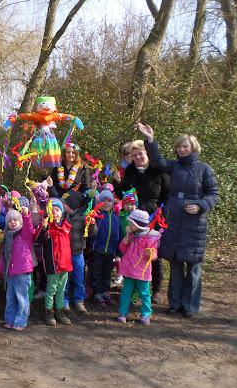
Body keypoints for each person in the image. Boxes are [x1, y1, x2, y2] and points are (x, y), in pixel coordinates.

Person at [138, 123, 220, 318]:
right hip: (174, 218)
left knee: (193, 266)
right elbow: (157, 161)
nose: (181, 150)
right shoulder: (174, 166)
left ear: (193, 148)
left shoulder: (204, 169)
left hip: (194, 223)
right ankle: (174, 304)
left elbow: (214, 195)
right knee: (175, 262)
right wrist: (150, 140)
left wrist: (200, 205)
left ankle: (189, 306)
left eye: (185, 146)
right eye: (179, 147)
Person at [113, 140, 170, 304]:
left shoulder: (158, 169)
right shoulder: (130, 171)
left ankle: (156, 290)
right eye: (134, 155)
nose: (138, 157)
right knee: (134, 250)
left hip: (155, 216)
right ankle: (135, 289)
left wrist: (162, 211)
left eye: (141, 154)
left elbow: (168, 192)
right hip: (136, 217)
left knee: (153, 253)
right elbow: (123, 192)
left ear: (147, 153)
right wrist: (117, 183)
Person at [116, 210, 160, 325]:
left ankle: (146, 314)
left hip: (142, 271)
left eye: (131, 223)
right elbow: (123, 250)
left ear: (138, 224)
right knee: (126, 292)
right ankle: (123, 313)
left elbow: (154, 254)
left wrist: (151, 254)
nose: (129, 225)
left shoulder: (149, 238)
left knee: (144, 293)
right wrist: (124, 243)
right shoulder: (131, 236)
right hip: (128, 270)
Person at [36, 199, 73, 326]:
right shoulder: (47, 227)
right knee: (51, 289)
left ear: (62, 213)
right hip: (53, 265)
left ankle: (60, 311)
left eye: (57, 210)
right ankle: (49, 311)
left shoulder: (67, 227)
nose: (54, 212)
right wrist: (43, 229)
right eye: (52, 210)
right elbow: (39, 239)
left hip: (65, 264)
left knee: (61, 290)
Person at [61, 191, 97, 315]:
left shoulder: (82, 217)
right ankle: (64, 302)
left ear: (71, 204)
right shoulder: (62, 217)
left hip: (78, 254)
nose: (62, 204)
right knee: (64, 279)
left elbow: (92, 232)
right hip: (64, 254)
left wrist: (91, 224)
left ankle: (79, 301)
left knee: (79, 278)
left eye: (64, 203)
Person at [88, 190, 125, 308]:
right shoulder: (97, 216)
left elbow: (120, 235)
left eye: (109, 201)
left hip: (110, 251)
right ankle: (97, 293)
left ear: (113, 203)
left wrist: (119, 251)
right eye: (103, 201)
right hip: (97, 250)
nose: (106, 203)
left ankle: (105, 291)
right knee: (96, 273)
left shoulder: (116, 219)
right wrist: (93, 193)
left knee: (107, 273)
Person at [0, 207, 35, 331]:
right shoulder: (6, 235)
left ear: (20, 221)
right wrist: (1, 268)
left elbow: (29, 228)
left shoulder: (24, 234)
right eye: (10, 221)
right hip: (10, 272)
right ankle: (10, 320)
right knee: (10, 298)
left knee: (22, 299)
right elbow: (3, 255)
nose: (13, 222)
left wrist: (26, 215)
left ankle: (20, 321)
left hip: (22, 271)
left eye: (15, 220)